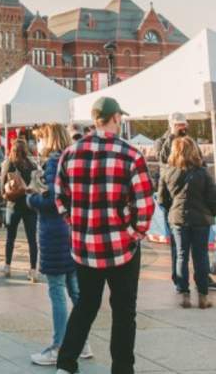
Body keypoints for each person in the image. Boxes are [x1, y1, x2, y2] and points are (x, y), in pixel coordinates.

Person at [54, 97, 155, 374]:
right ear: (115, 118)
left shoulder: (71, 153)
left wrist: (76, 224)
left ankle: (66, 363)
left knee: (86, 305)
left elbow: (60, 198)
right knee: (124, 311)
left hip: (85, 247)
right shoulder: (130, 154)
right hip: (121, 247)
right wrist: (134, 232)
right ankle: (122, 368)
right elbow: (145, 204)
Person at [27, 124, 92, 366]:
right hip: (70, 230)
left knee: (57, 290)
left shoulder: (54, 163)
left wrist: (31, 198)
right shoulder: (71, 159)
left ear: (48, 139)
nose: (37, 144)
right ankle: (81, 341)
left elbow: (54, 200)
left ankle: (60, 345)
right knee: (74, 289)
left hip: (54, 232)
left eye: (39, 139)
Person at [158, 136, 216, 309]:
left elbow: (162, 199)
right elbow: (213, 198)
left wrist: (172, 209)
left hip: (178, 219)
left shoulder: (167, 172)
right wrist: (210, 213)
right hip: (200, 220)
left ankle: (184, 294)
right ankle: (203, 297)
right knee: (201, 257)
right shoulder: (203, 173)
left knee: (181, 256)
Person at [0, 138, 39, 281]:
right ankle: (33, 270)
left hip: (13, 205)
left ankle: (8, 266)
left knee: (10, 237)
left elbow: (2, 187)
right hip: (30, 206)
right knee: (32, 239)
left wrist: (5, 195)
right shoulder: (32, 164)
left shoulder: (8, 164)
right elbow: (37, 186)